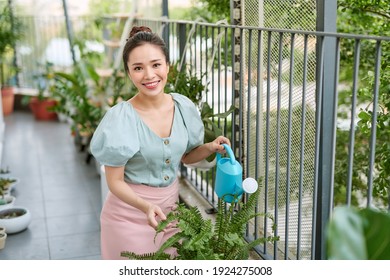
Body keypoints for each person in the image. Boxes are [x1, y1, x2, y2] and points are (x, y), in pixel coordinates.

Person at [90, 25, 231, 260]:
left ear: (168, 66)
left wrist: (209, 148)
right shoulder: (121, 117)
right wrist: (145, 206)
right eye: (138, 68)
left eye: (156, 64)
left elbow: (187, 156)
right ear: (129, 72)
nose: (149, 75)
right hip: (128, 216)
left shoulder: (183, 107)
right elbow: (114, 182)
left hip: (169, 214)